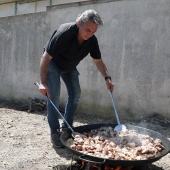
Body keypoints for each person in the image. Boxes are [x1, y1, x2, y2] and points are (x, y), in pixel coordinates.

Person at [38, 9, 114, 148]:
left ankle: (67, 127)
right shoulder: (64, 33)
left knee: (76, 94)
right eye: (87, 30)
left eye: (93, 31)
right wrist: (43, 83)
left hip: (69, 66)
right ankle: (55, 132)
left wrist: (107, 78)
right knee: (53, 96)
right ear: (79, 23)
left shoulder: (91, 40)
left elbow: (98, 61)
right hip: (53, 64)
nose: (89, 34)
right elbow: (45, 57)